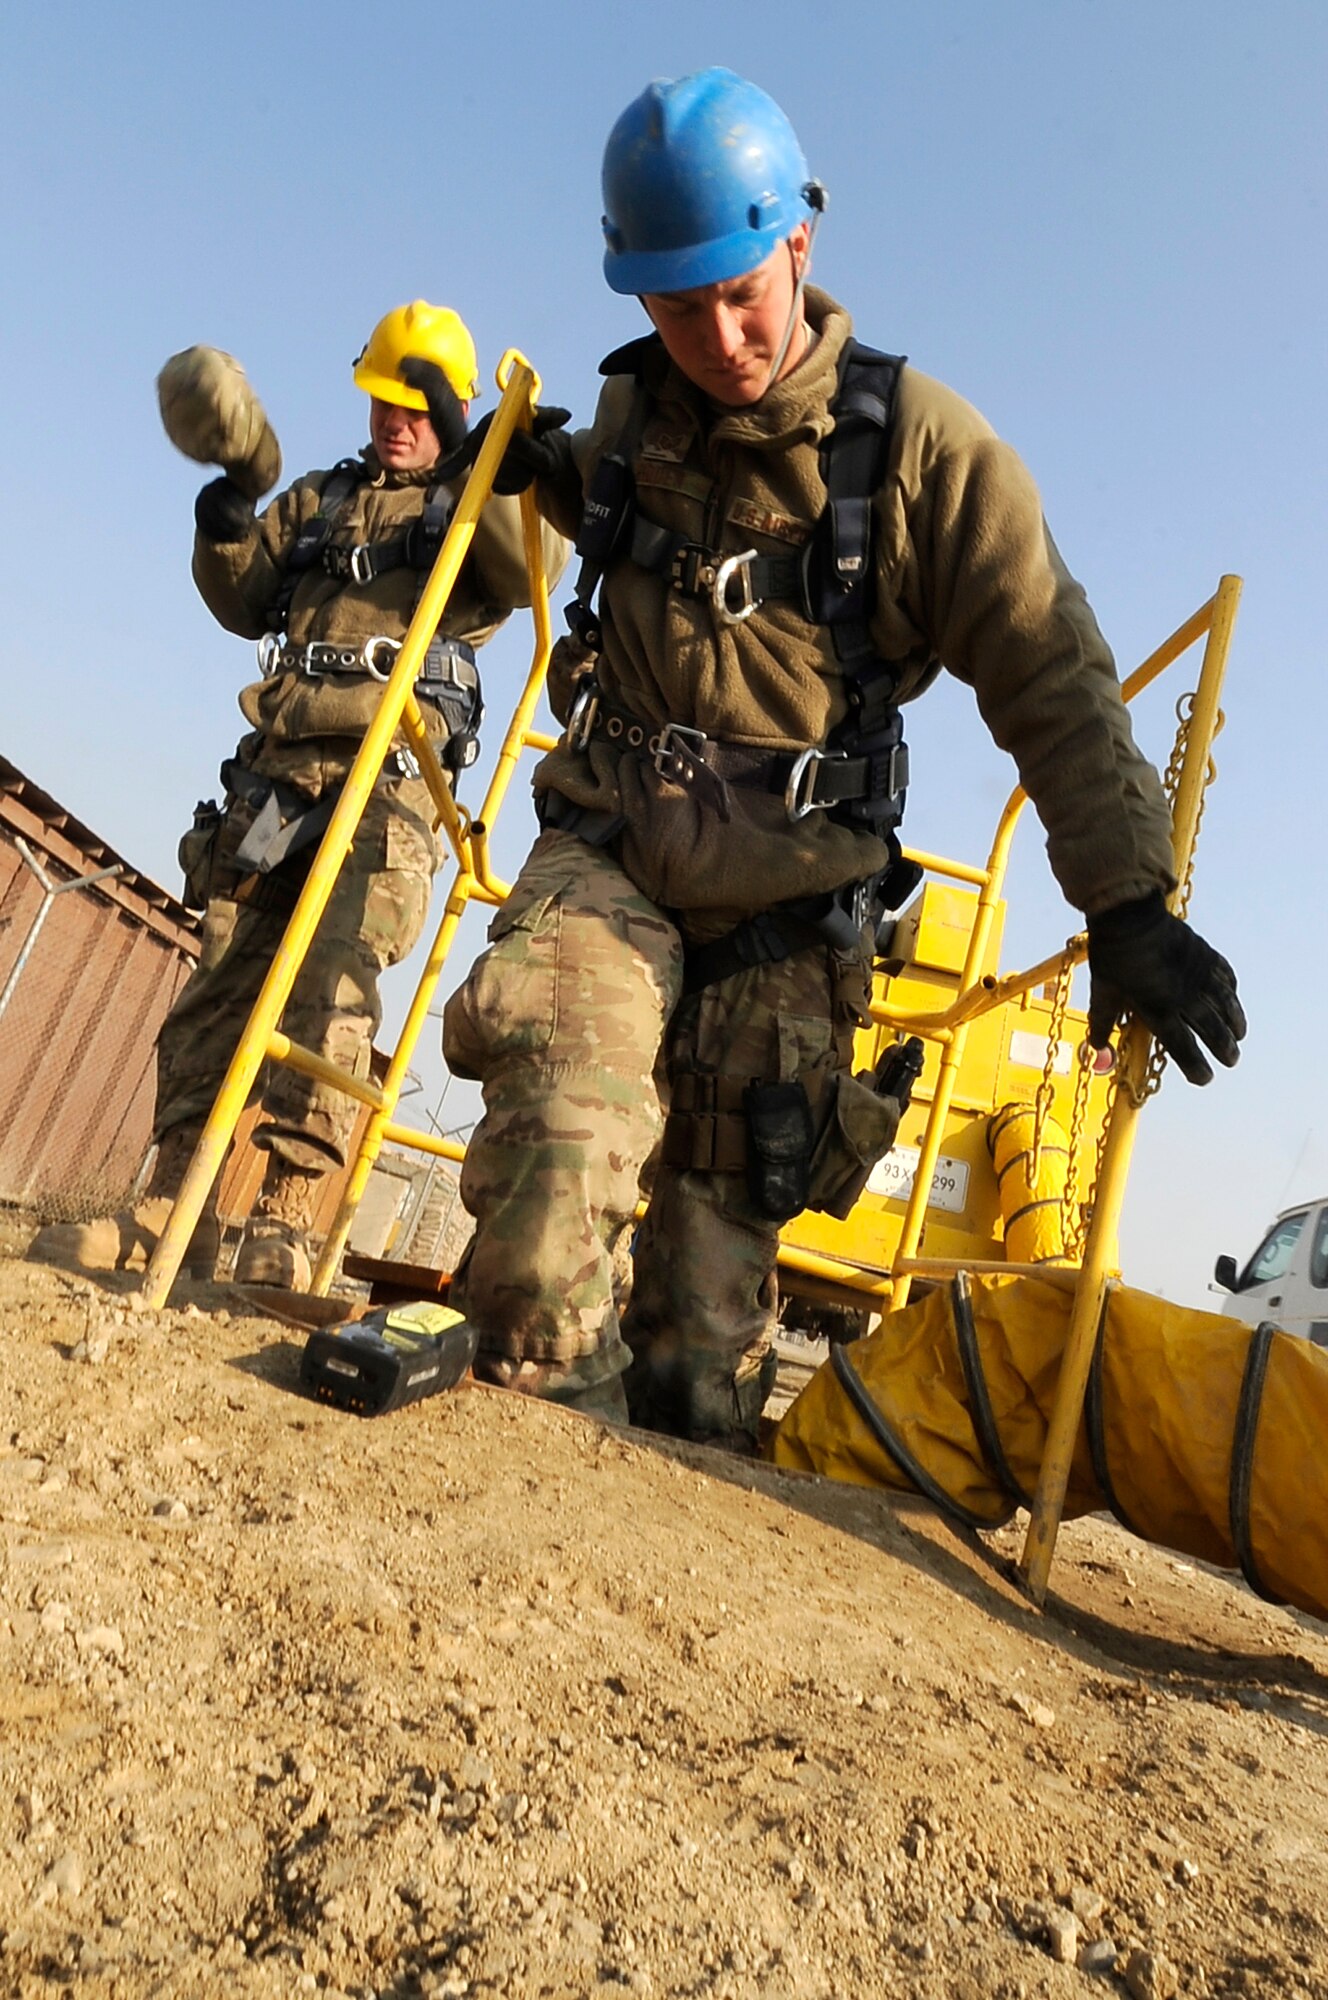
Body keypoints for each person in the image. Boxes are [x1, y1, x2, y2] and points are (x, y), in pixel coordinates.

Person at [437, 68, 1246, 1447]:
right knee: (544, 1210)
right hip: (610, 854)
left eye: (739, 294)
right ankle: (511, 1491)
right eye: (676, 308)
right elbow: (565, 492)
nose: (717, 339)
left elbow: (1050, 668)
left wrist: (1126, 904)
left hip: (790, 916)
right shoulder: (628, 421)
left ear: (798, 244)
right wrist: (511, 466)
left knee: (695, 1368)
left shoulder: (921, 453)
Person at [32, 300, 569, 1289]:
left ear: (448, 410)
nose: (395, 420)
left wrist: (476, 451)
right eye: (384, 400)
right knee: (221, 974)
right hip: (280, 771)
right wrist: (229, 515)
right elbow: (243, 599)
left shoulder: (479, 500)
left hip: (390, 778)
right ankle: (174, 1206)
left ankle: (282, 1220)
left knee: (334, 985)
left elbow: (522, 561)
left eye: (417, 405)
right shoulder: (324, 498)